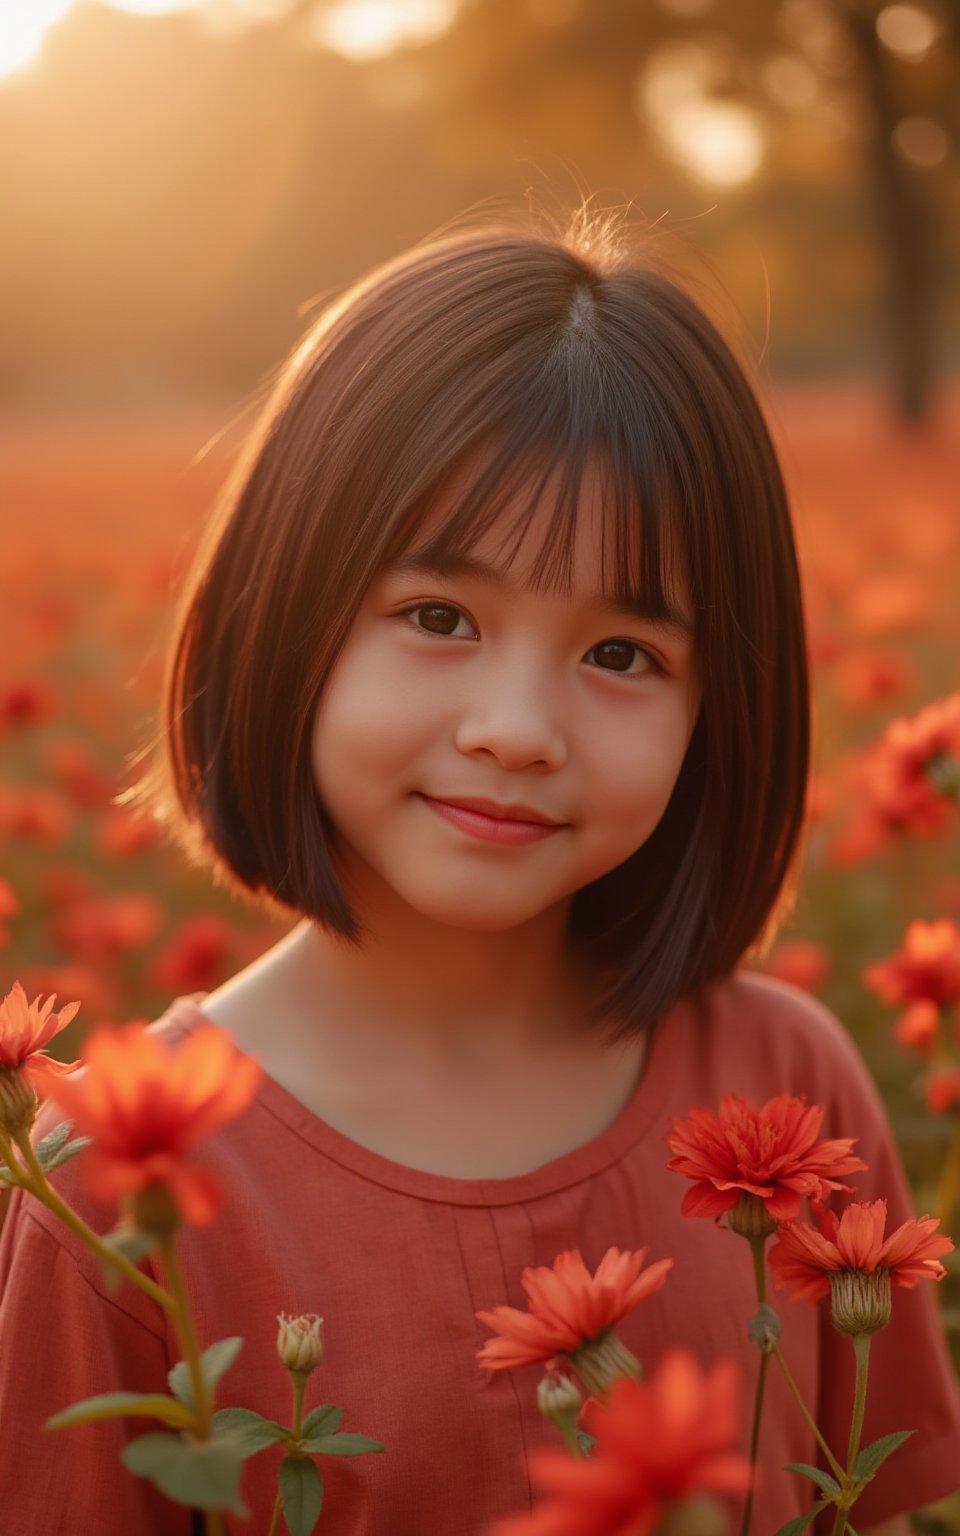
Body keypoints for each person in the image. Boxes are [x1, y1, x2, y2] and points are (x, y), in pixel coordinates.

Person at [1, 213, 958, 1536]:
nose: (517, 728)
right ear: (284, 615)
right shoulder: (113, 1187)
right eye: (439, 618)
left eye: (623, 653)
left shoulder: (789, 1084)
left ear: (718, 711)